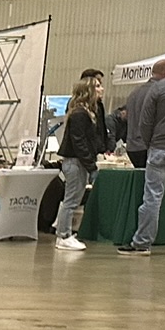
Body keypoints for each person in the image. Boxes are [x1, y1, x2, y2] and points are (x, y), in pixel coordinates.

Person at [117, 56, 165, 255]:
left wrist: (150, 144)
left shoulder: (155, 89)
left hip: (159, 148)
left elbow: (145, 122)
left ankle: (142, 243)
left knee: (152, 198)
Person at [53, 76, 106, 252]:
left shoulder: (88, 112)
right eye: (97, 86)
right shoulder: (79, 114)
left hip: (79, 162)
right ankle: (63, 235)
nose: (101, 89)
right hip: (74, 162)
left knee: (74, 199)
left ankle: (65, 232)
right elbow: (79, 142)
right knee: (71, 200)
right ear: (88, 91)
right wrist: (91, 165)